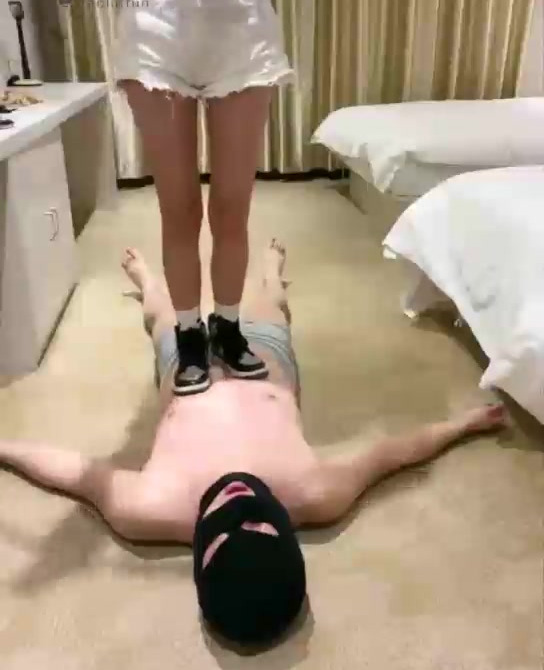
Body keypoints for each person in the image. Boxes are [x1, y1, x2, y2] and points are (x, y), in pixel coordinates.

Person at [0, 240, 507, 647]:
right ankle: (271, 273)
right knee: (269, 306)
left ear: (201, 556)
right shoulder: (315, 495)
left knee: (164, 318)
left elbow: (75, 474)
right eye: (261, 523)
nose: (237, 499)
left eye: (224, 528)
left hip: (184, 373)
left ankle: (146, 281)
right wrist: (461, 426)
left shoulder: (149, 509)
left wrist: (5, 447)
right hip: (264, 363)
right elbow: (390, 454)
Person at [0, 0, 328, 396]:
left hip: (241, 10)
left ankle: (228, 326)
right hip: (153, 10)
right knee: (178, 207)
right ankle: (189, 333)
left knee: (233, 205)